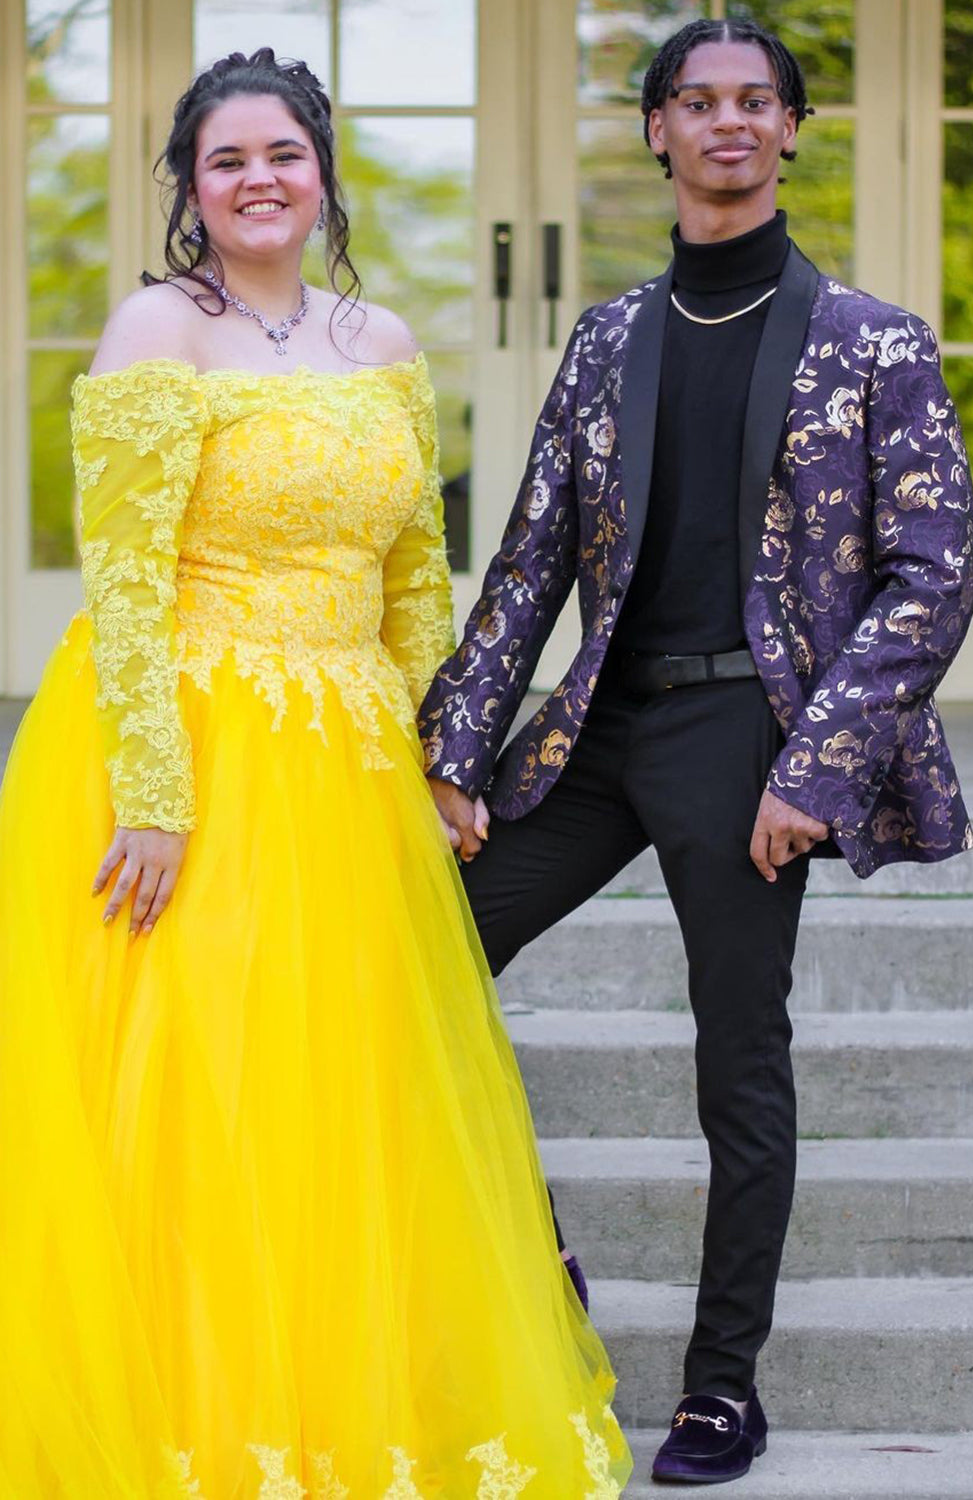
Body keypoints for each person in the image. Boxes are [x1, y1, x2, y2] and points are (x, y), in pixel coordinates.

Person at [0, 48, 632, 1498]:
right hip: (197, 744)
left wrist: (440, 755)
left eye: (281, 153)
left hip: (351, 760)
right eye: (225, 161)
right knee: (208, 1083)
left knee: (352, 1084)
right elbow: (128, 579)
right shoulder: (156, 331)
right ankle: (200, 1415)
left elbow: (417, 573)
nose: (257, 181)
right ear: (190, 187)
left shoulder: (383, 342)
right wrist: (153, 796)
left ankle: (361, 1399)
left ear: (321, 169)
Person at [421, 17, 973, 1489]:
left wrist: (820, 766)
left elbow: (936, 572)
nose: (728, 122)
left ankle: (722, 1390)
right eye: (697, 100)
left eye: (756, 101)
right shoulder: (610, 338)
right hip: (603, 725)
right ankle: (539, 1269)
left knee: (740, 1062)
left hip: (755, 733)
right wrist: (457, 750)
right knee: (415, 960)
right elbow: (532, 558)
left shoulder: (874, 343)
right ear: (657, 131)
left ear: (790, 131)